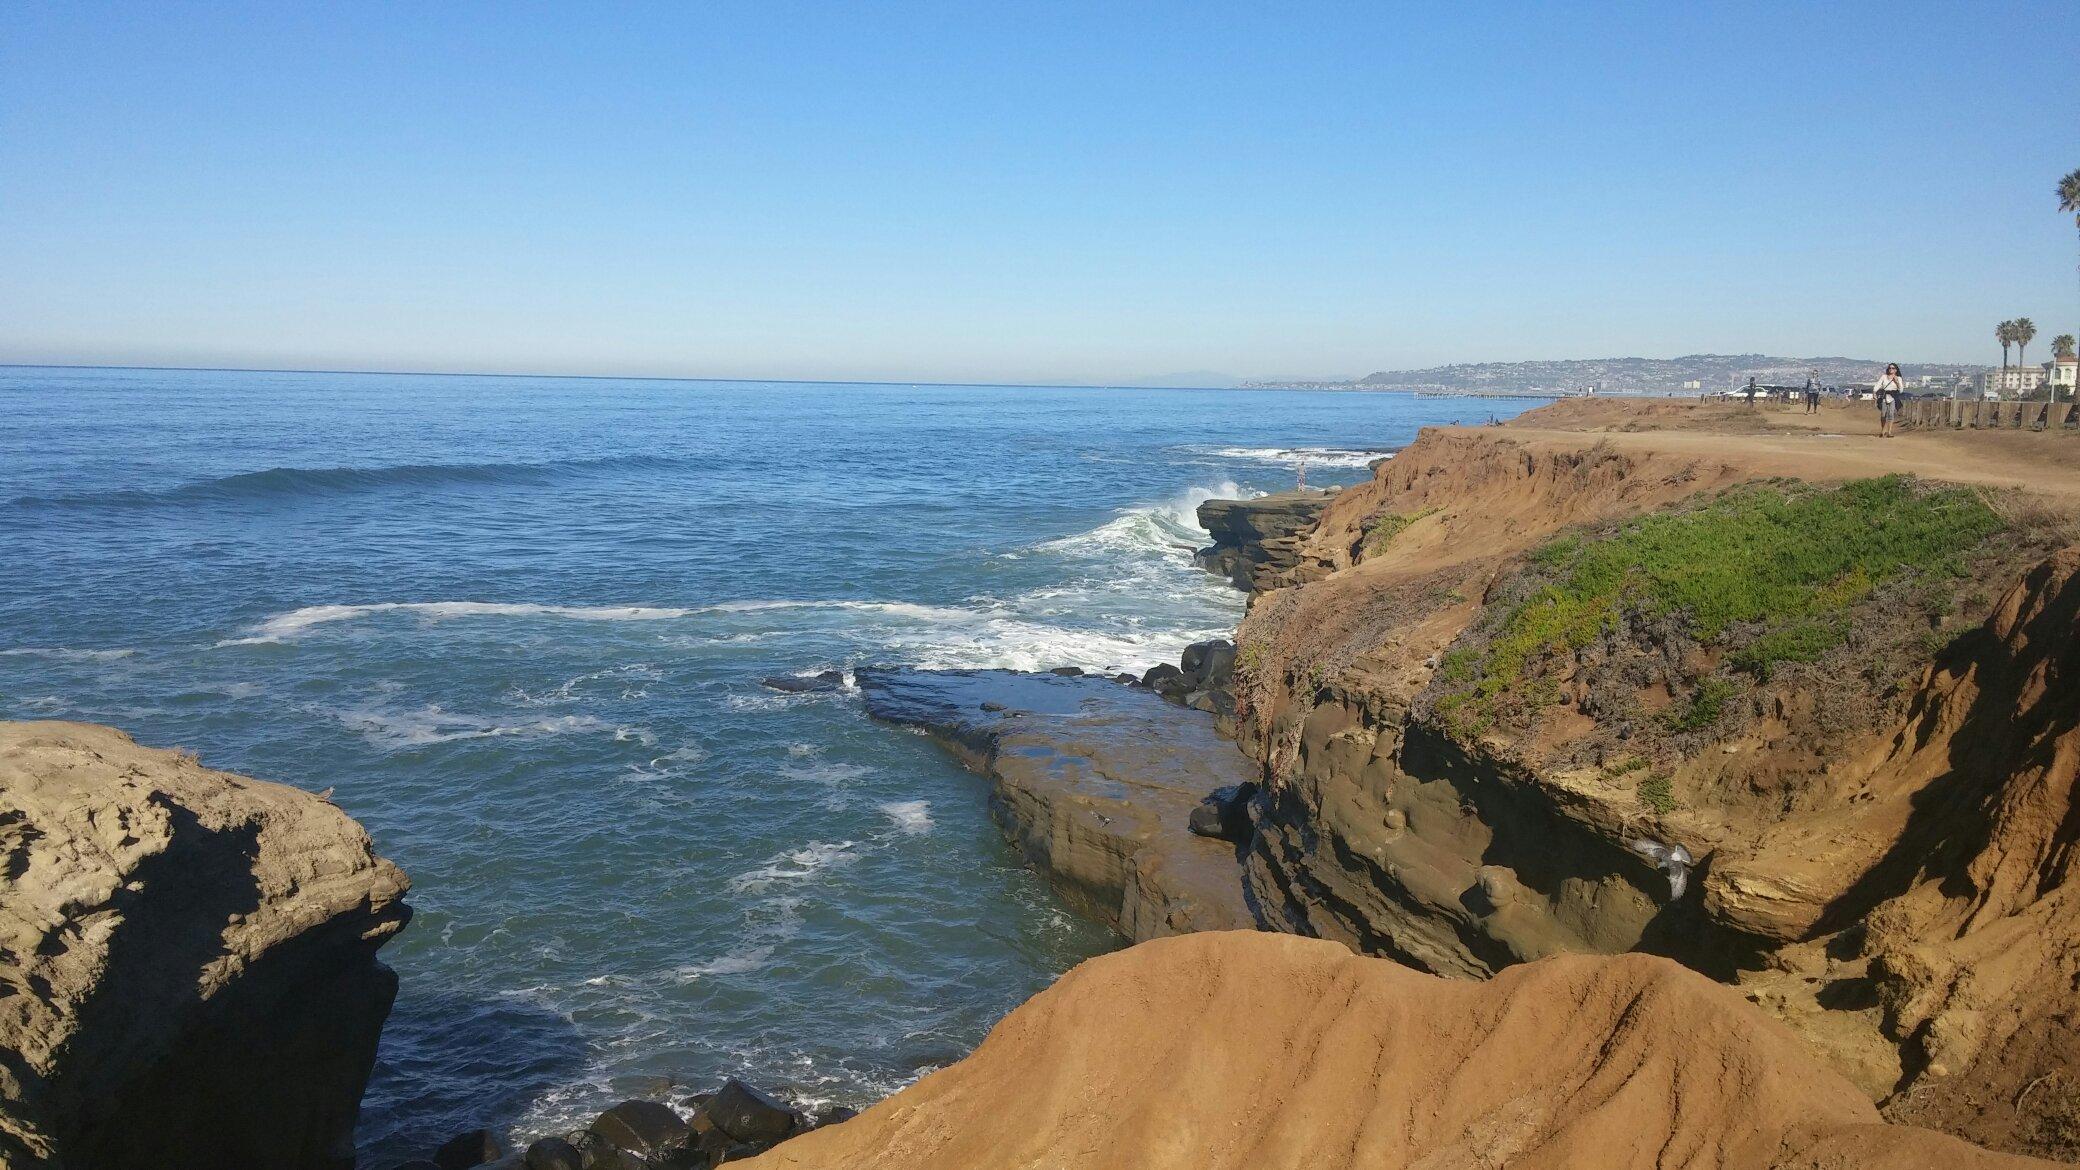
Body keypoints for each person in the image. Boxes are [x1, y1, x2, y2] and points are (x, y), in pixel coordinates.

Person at [1874, 363, 1905, 438]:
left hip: (1893, 397)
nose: (1891, 369)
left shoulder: (1898, 378)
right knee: (1883, 414)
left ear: (1896, 370)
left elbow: (1901, 390)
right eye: (1890, 368)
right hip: (1884, 396)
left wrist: (1896, 382)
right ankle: (1883, 430)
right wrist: (1874, 392)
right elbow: (1878, 385)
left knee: (1891, 414)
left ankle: (1889, 432)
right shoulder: (1884, 377)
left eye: (1893, 368)